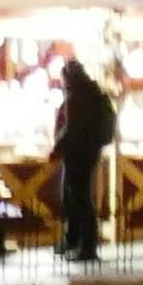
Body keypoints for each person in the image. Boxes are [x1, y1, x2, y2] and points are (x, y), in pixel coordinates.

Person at [54, 61, 116, 261]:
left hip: (78, 153)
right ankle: (75, 240)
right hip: (89, 151)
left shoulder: (77, 96)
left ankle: (87, 247)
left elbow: (72, 128)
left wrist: (58, 146)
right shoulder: (92, 92)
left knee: (80, 199)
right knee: (75, 197)